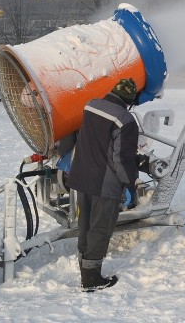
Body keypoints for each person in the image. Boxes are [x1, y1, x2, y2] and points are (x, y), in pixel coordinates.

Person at [68, 78, 140, 292]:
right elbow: (121, 159)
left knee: (85, 223)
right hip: (105, 182)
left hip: (81, 175)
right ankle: (91, 278)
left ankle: (84, 265)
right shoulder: (125, 120)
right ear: (129, 100)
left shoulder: (91, 105)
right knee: (101, 227)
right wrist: (130, 184)